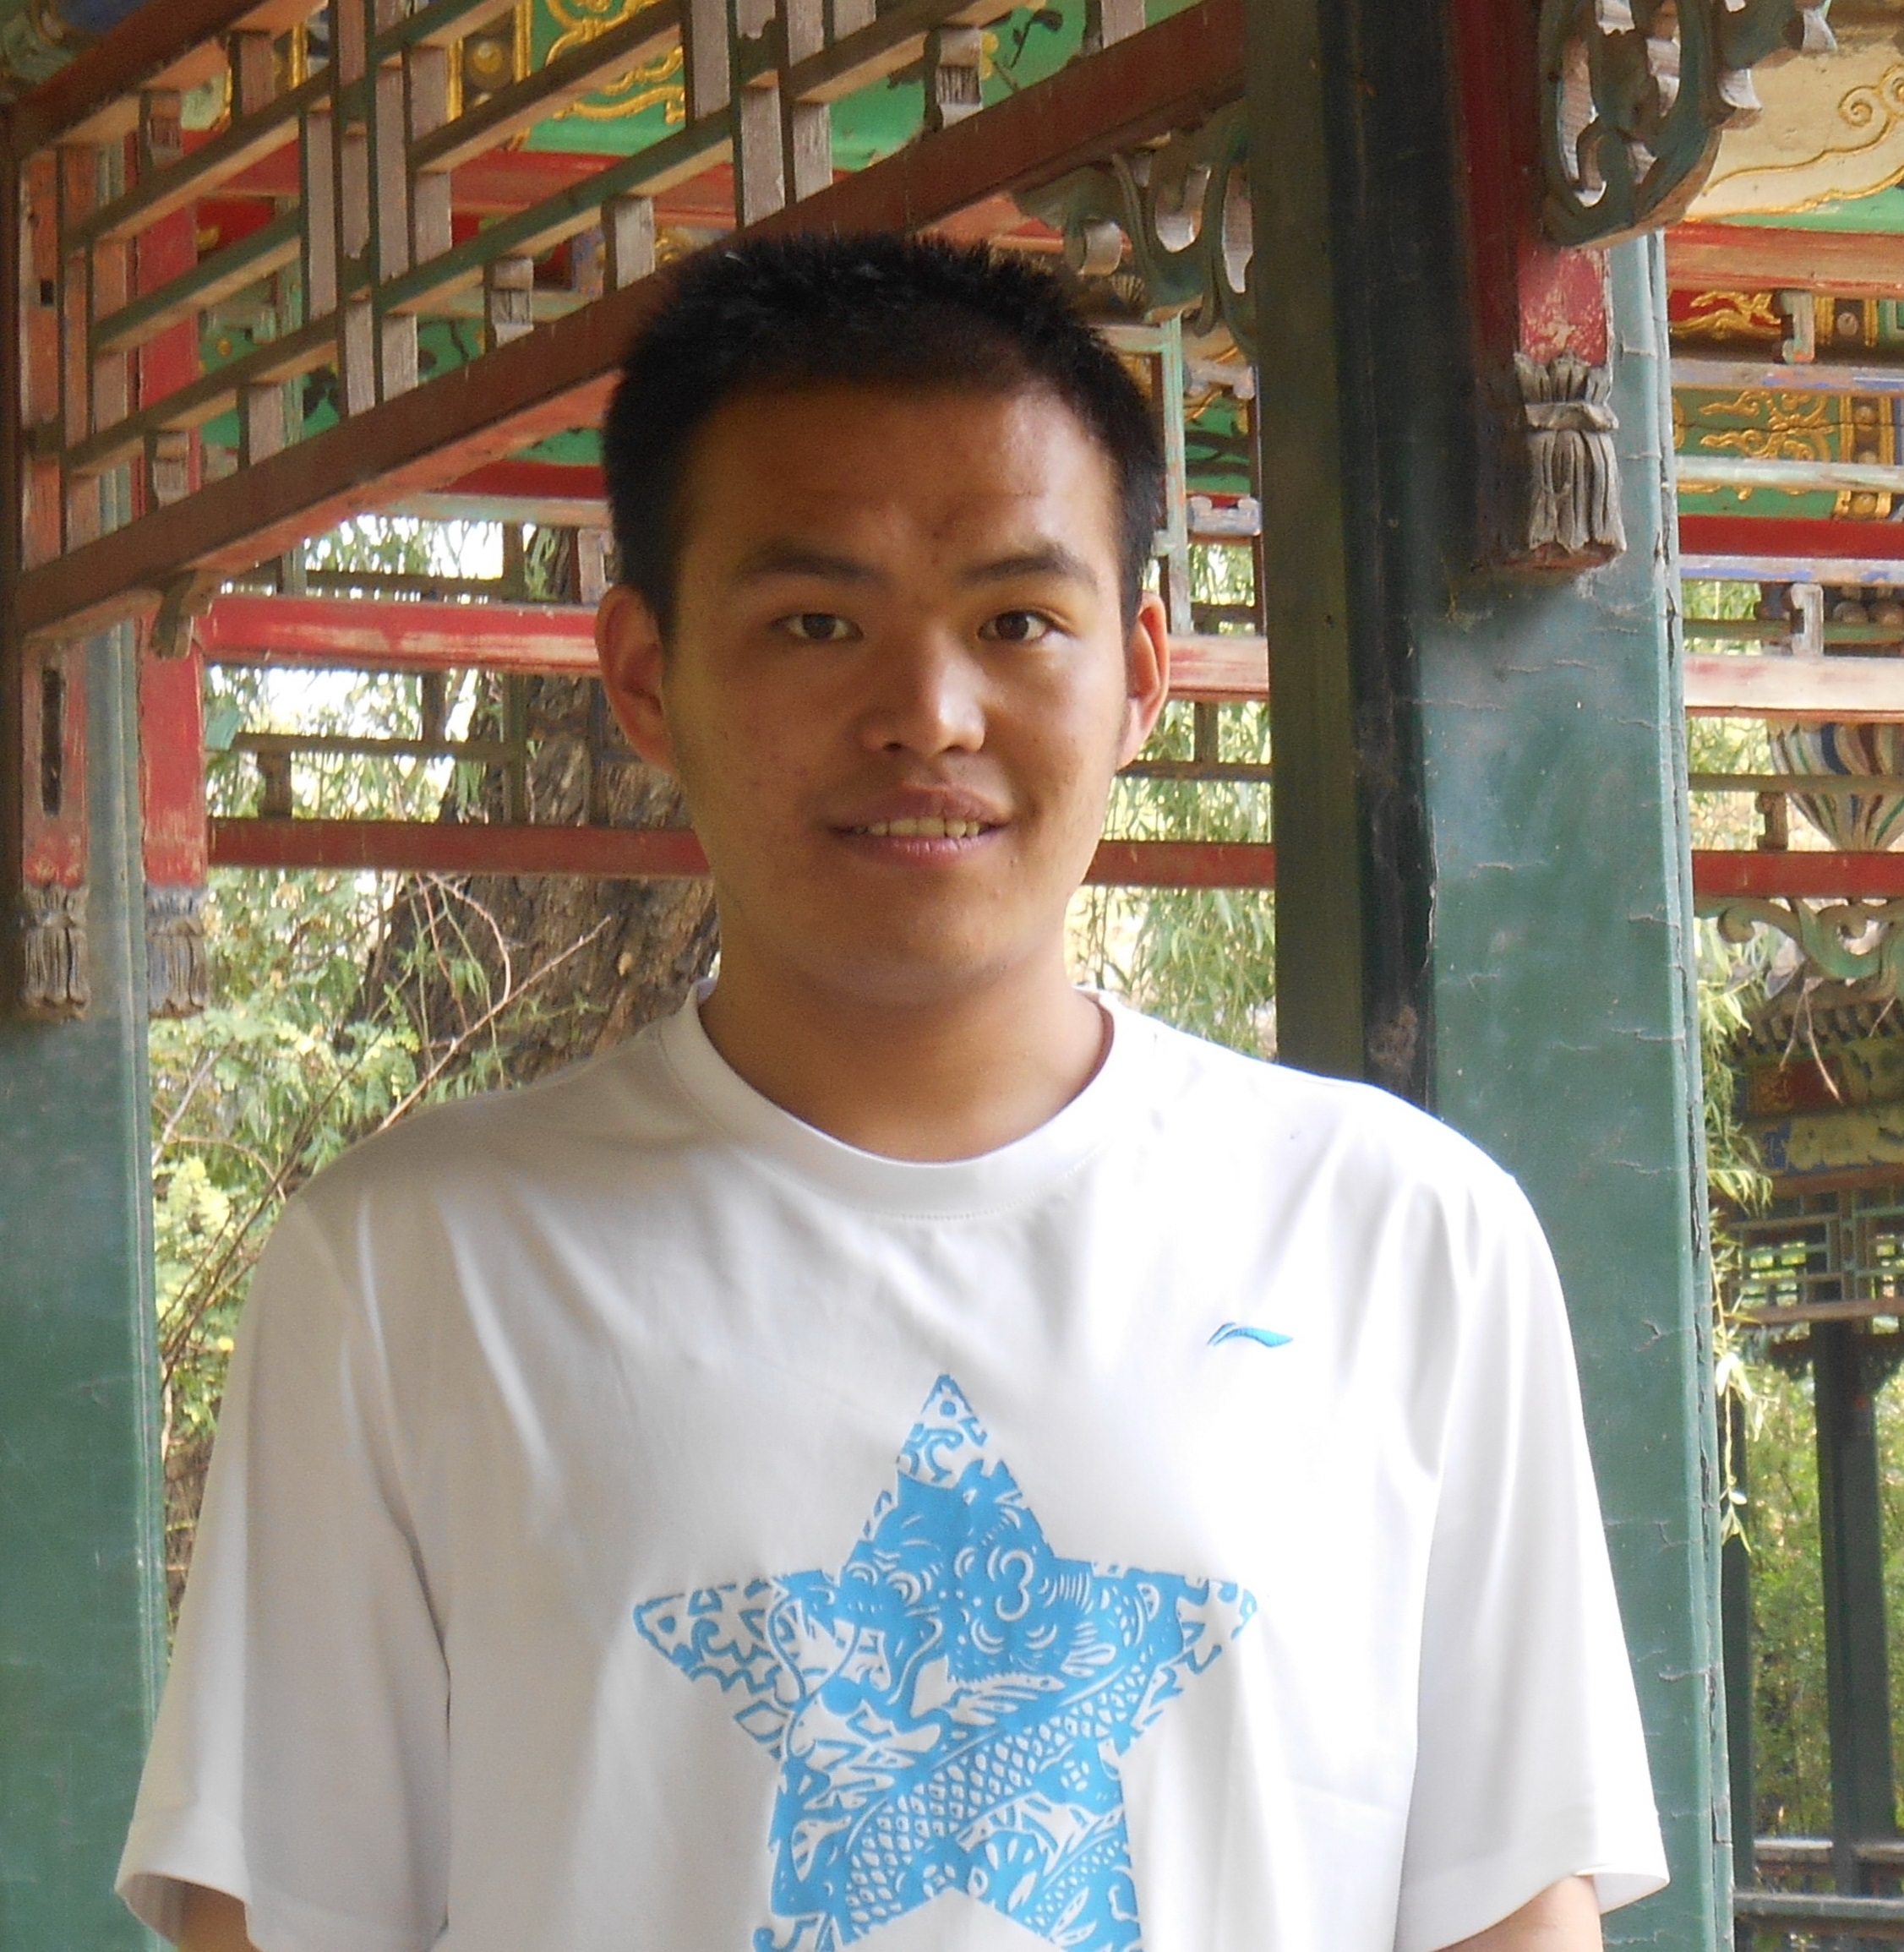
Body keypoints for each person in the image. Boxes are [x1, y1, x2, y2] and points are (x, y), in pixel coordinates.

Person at [119, 233, 1667, 1952]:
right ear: (644, 677)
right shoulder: (415, 1268)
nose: (927, 713)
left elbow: (1507, 1913)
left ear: (1141, 672)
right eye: (814, 622)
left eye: (1017, 621)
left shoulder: (1400, 1235)